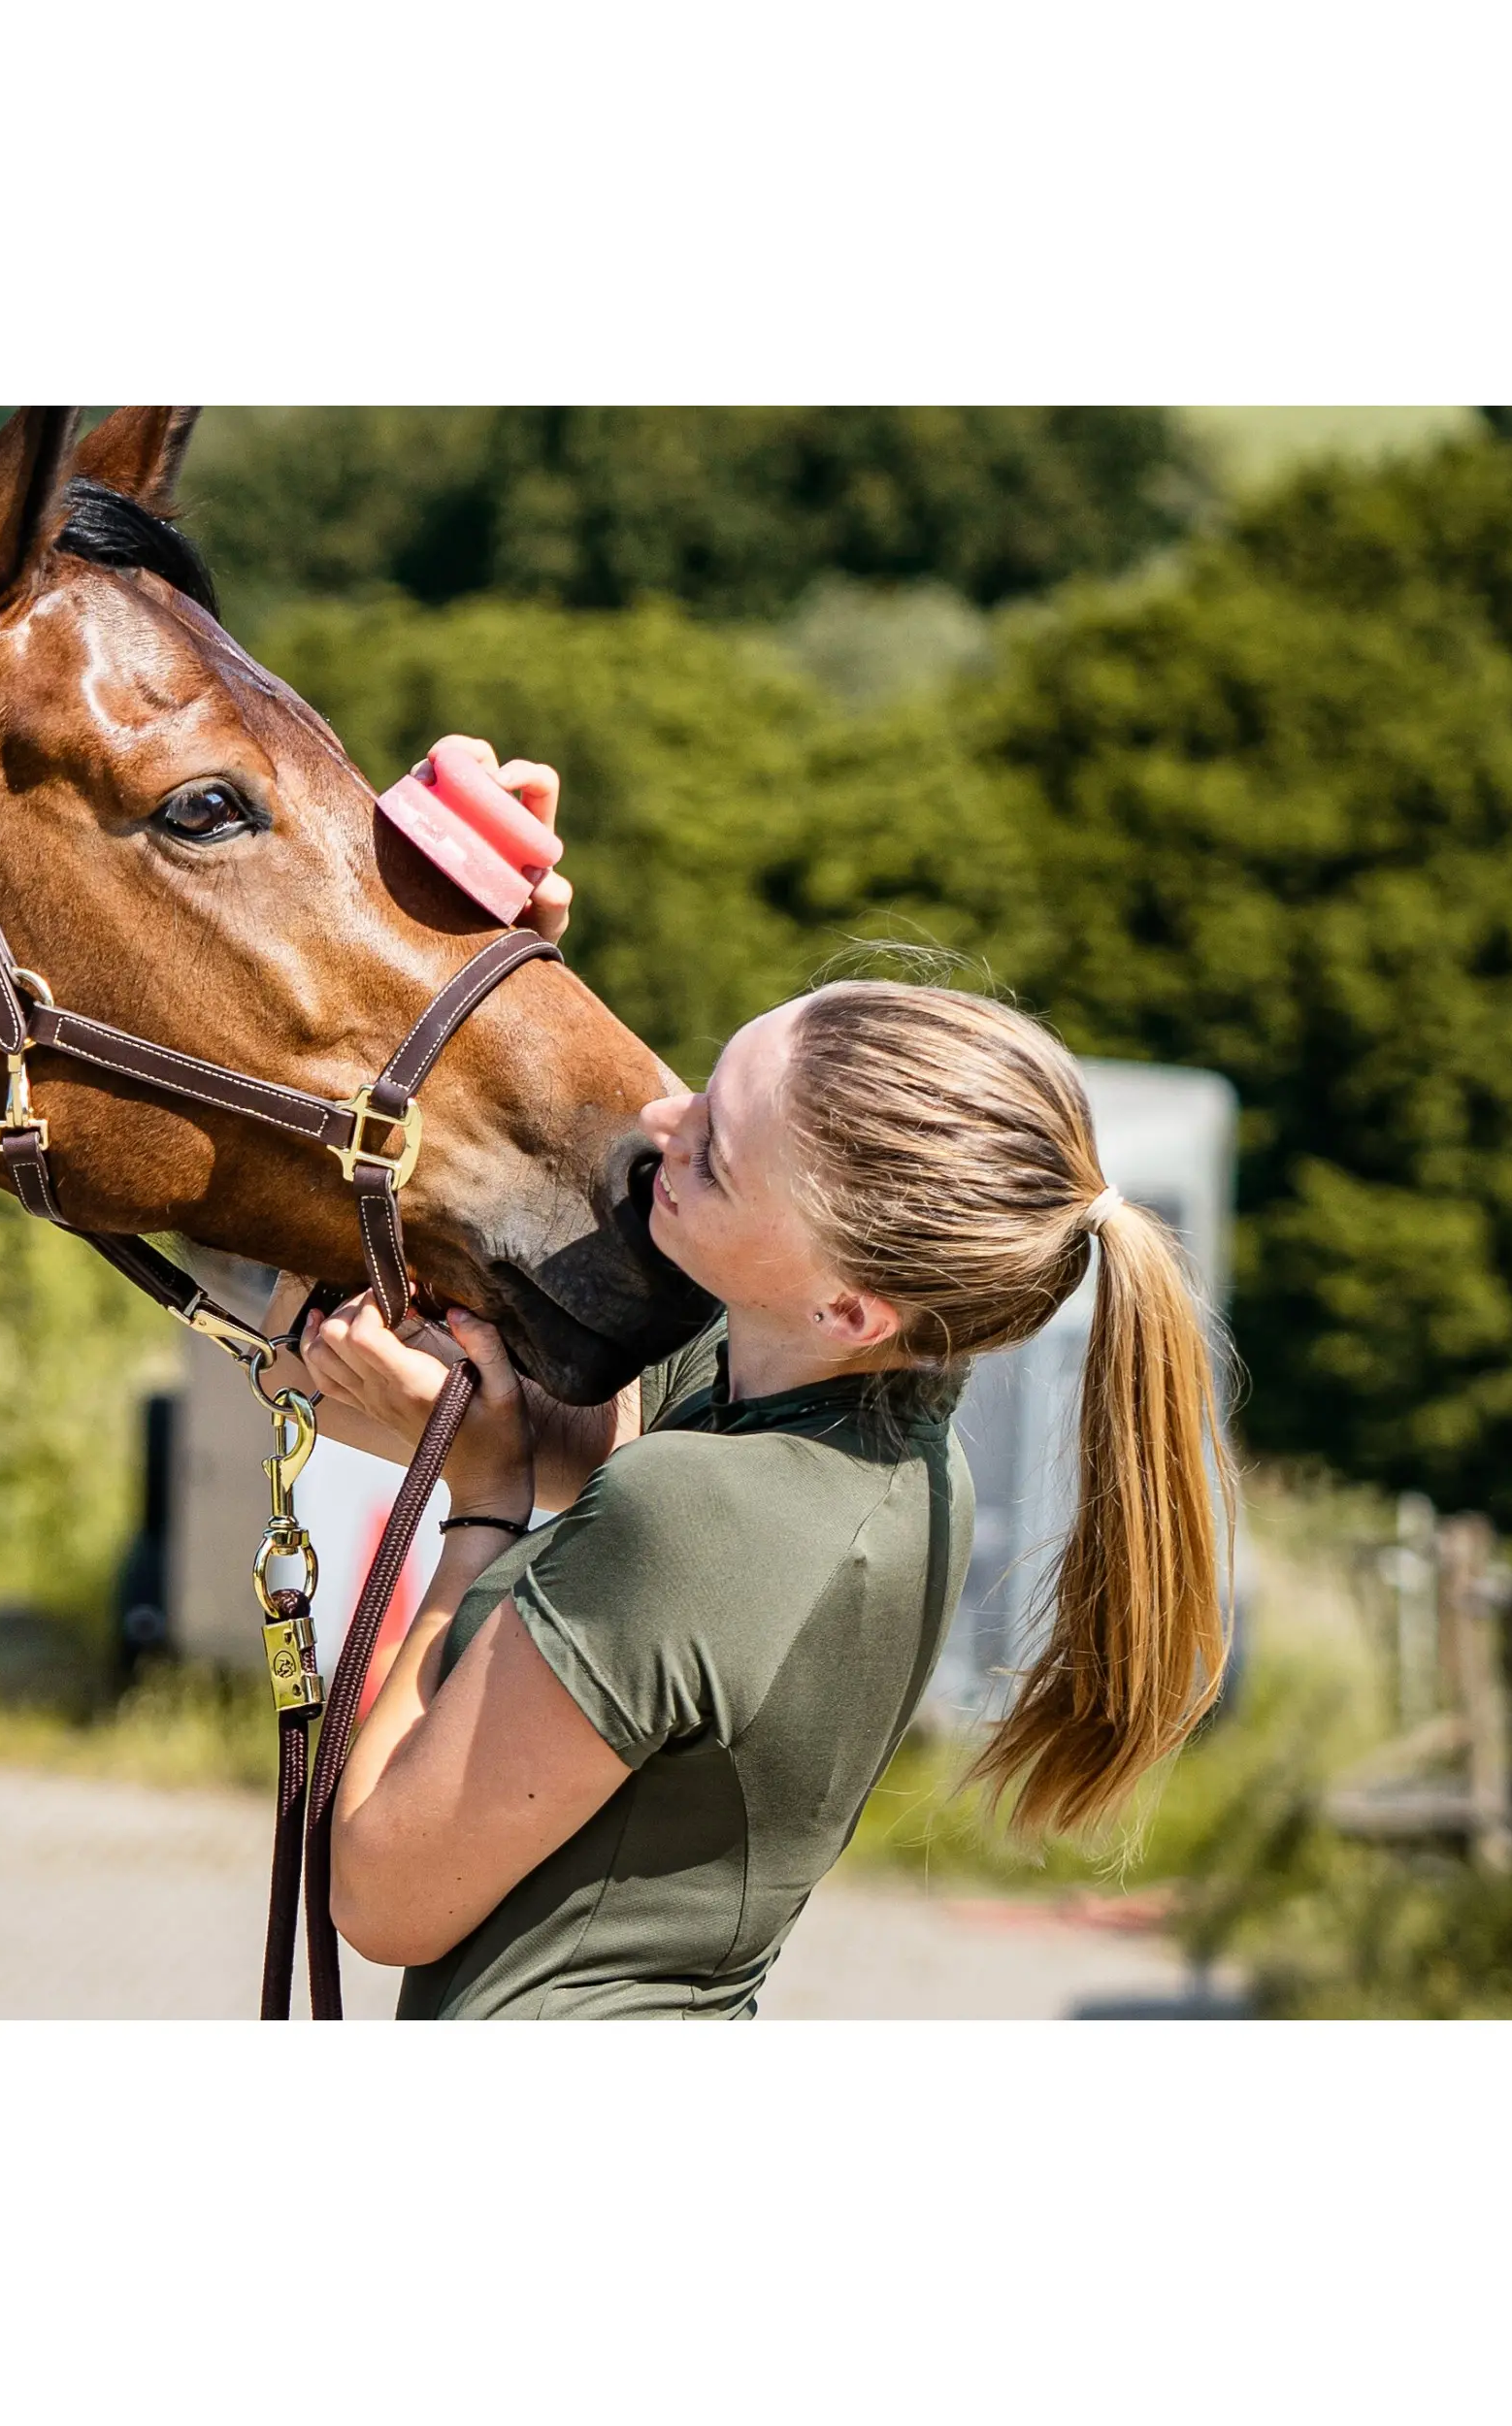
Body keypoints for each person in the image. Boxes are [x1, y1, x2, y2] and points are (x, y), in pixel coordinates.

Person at [266, 740, 1233, 2019]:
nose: (659, 1129)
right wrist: (481, 956)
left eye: (712, 1154)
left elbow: (380, 1897)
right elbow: (343, 1369)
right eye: (704, 1087)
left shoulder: (700, 1509)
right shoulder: (861, 1415)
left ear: (850, 1301)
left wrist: (484, 1503)